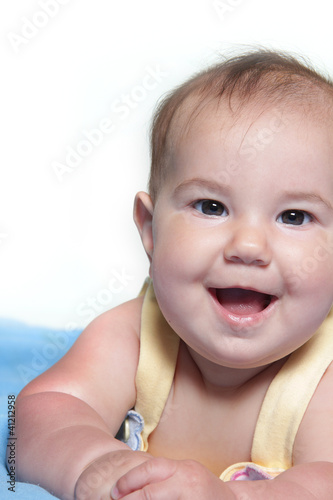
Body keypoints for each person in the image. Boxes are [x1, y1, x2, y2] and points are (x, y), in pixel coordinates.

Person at [12, 49, 333, 499]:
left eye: (295, 216)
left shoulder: (323, 375)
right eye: (211, 207)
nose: (248, 246)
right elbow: (22, 425)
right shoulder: (135, 334)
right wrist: (93, 464)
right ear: (150, 229)